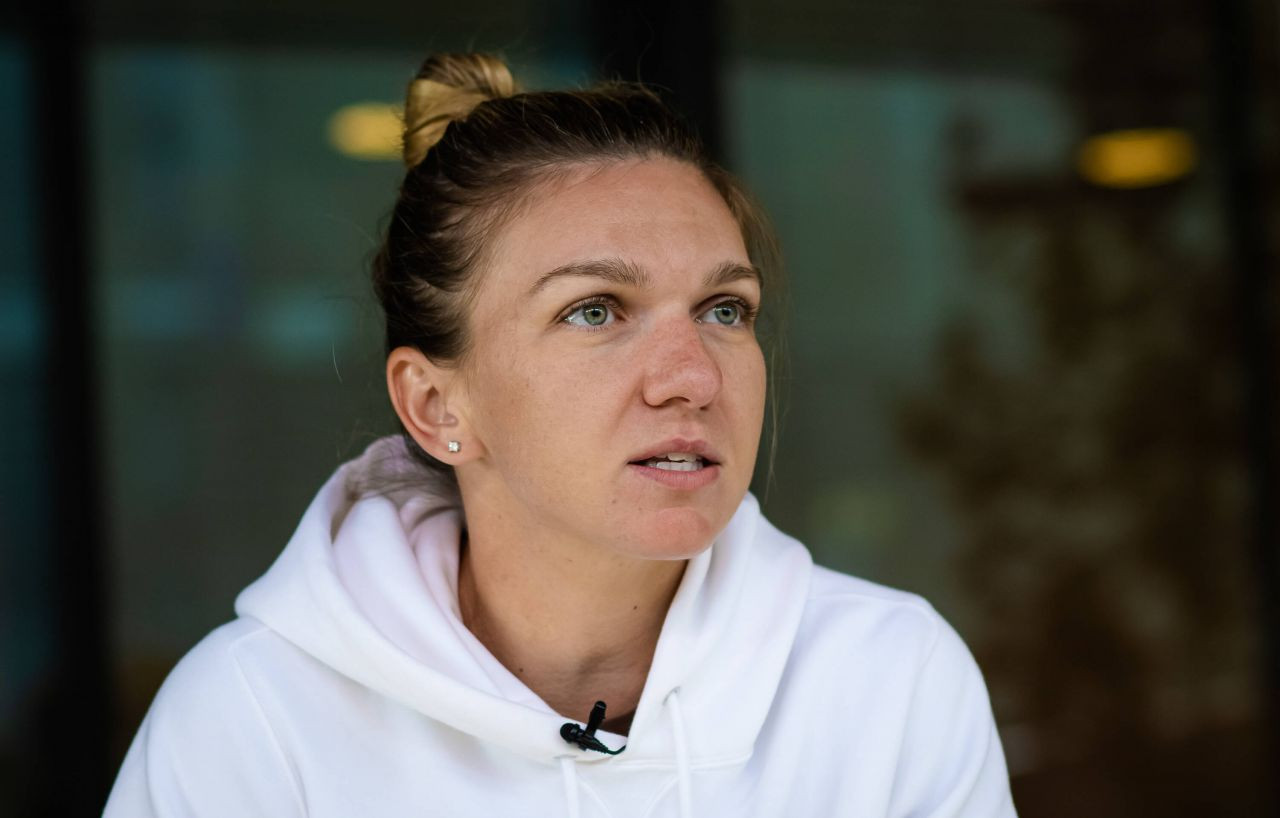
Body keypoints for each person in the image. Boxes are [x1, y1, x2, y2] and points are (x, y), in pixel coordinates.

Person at [104, 53, 1017, 817]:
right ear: (436, 405)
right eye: (594, 310)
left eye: (724, 309)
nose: (692, 377)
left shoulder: (886, 682)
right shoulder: (256, 719)